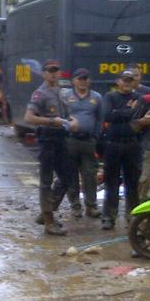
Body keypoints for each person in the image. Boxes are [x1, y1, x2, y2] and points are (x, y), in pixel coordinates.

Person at [24, 60, 70, 236]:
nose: (53, 74)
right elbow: (28, 117)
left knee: (66, 178)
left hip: (61, 138)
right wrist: (51, 121)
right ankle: (49, 221)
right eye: (49, 71)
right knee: (46, 181)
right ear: (43, 74)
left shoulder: (62, 92)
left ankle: (47, 211)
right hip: (47, 139)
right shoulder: (40, 93)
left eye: (55, 71)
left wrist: (70, 121)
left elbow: (65, 114)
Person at [53, 68, 104, 218]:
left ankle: (91, 206)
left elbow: (100, 119)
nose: (82, 82)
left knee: (90, 175)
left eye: (85, 79)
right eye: (79, 79)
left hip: (88, 141)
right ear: (73, 80)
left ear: (89, 80)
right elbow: (60, 116)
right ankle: (75, 206)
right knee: (71, 175)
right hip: (70, 140)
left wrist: (96, 136)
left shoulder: (97, 97)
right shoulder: (65, 96)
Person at [101, 70, 144, 230]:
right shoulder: (110, 97)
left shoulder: (138, 97)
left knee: (132, 183)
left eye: (130, 80)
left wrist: (120, 113)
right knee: (111, 182)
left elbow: (139, 116)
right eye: (124, 80)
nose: (127, 83)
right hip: (113, 144)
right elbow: (107, 116)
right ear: (118, 81)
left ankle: (132, 216)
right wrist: (128, 112)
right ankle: (108, 217)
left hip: (132, 145)